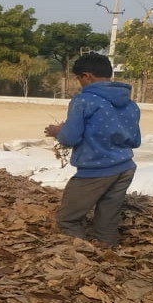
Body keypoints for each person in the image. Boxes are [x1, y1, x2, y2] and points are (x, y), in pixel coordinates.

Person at [44, 52, 141, 246]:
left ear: (86, 76)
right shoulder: (130, 104)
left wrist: (58, 131)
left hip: (95, 170)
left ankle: (80, 259)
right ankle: (107, 254)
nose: (79, 83)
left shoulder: (84, 100)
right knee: (107, 219)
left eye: (79, 78)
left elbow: (70, 137)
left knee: (68, 218)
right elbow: (135, 140)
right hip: (125, 167)